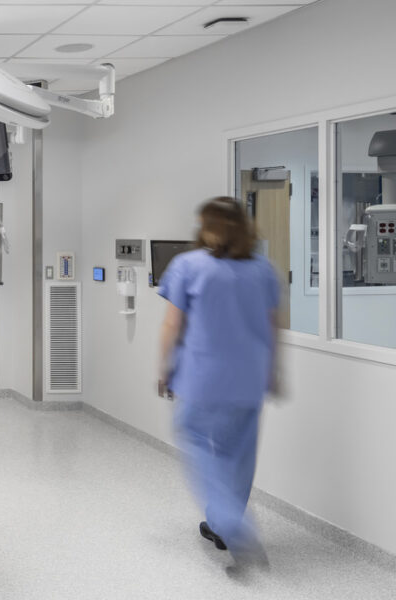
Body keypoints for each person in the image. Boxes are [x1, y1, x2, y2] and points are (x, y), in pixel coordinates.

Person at [157, 197, 280, 569]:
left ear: (210, 227)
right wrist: (275, 371)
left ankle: (233, 524)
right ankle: (222, 526)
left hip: (203, 378)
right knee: (238, 453)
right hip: (249, 379)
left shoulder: (189, 266)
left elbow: (171, 326)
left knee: (197, 442)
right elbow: (275, 327)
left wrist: (164, 369)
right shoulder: (263, 269)